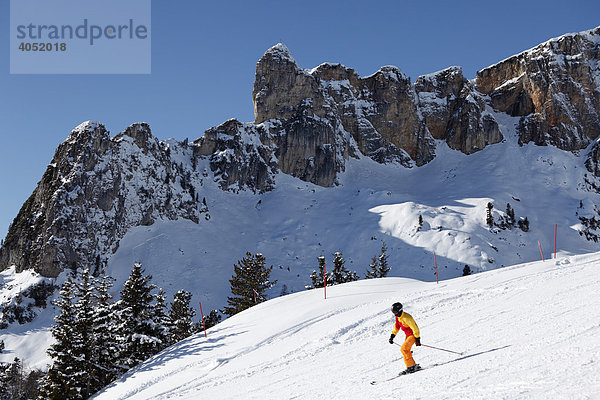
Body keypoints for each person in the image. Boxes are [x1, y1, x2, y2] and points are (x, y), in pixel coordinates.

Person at [389, 302, 422, 374]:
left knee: (404, 349)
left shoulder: (407, 318)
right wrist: (392, 336)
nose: (394, 314)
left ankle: (410, 367)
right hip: (408, 336)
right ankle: (413, 365)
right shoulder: (398, 317)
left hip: (413, 335)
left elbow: (415, 328)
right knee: (406, 350)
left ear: (400, 310)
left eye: (395, 312)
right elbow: (396, 327)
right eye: (393, 312)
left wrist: (417, 338)